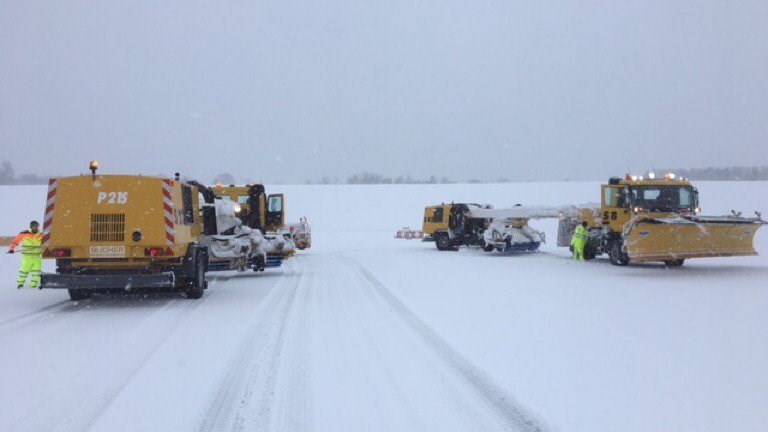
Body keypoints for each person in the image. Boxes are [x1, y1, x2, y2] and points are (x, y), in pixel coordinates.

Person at [8, 221, 43, 288]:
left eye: (36, 226)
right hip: (27, 257)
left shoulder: (41, 234)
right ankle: (20, 284)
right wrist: (11, 248)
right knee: (24, 271)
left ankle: (33, 285)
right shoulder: (24, 233)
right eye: (33, 226)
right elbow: (16, 241)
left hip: (37, 256)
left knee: (36, 272)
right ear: (31, 226)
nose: (35, 227)